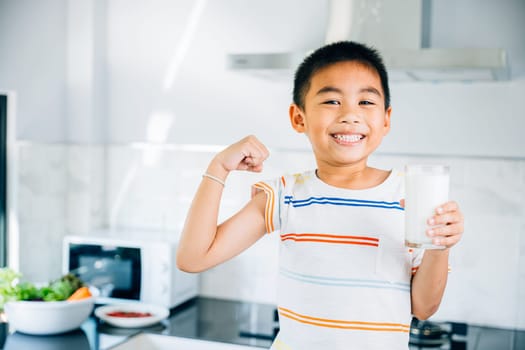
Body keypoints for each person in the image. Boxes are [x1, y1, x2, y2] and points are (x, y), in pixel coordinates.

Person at [176, 41, 464, 349]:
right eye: (331, 101)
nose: (351, 115)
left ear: (386, 119)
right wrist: (218, 167)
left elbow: (423, 307)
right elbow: (194, 258)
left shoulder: (411, 195)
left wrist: (440, 246)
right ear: (299, 118)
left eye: (366, 102)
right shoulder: (284, 195)